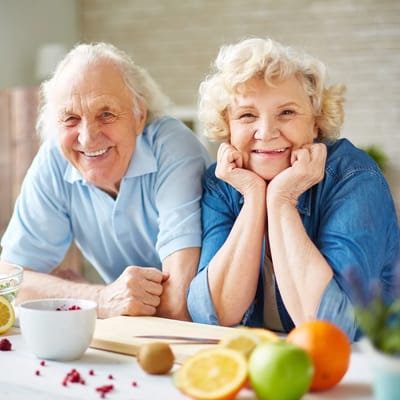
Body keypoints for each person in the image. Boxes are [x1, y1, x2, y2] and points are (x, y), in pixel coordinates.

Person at [187, 37, 400, 341]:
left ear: (315, 123)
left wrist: (282, 199)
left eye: (286, 112)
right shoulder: (224, 182)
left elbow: (333, 326)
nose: (266, 132)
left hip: (370, 373)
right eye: (247, 115)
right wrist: (254, 198)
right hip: (277, 371)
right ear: (228, 127)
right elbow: (212, 313)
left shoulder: (353, 177)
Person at [0, 42, 211, 320]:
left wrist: (76, 297)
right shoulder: (55, 156)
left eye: (106, 114)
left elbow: (179, 302)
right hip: (132, 336)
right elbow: (9, 283)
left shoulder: (173, 148)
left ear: (139, 117)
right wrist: (99, 298)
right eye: (71, 118)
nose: (87, 138)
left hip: (212, 328)